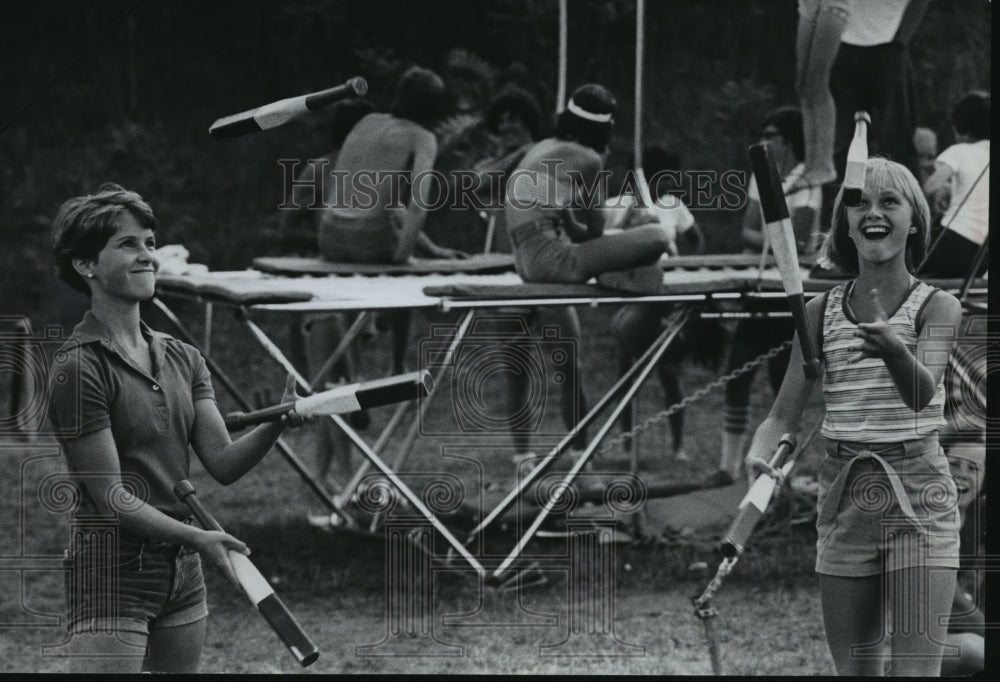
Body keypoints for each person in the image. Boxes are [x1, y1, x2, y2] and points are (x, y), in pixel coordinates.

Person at [47, 184, 307, 673]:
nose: (147, 255)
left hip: (182, 570)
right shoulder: (78, 368)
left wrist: (277, 422)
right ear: (86, 265)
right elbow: (113, 498)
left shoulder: (183, 357)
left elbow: (223, 462)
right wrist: (200, 538)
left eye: (149, 242)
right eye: (128, 244)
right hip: (113, 568)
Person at [745, 158, 964, 676]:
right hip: (845, 495)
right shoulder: (817, 313)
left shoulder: (938, 307)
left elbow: (921, 393)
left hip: (919, 492)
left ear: (915, 222)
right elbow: (782, 415)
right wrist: (760, 454)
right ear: (845, 224)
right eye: (859, 203)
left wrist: (893, 349)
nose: (873, 212)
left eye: (890, 202)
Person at [501, 84, 675, 462]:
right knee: (657, 236)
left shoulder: (541, 148)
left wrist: (595, 238)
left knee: (568, 363)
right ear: (605, 129)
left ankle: (574, 455)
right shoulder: (589, 159)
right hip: (553, 259)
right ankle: (582, 455)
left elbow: (574, 230)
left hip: (527, 259)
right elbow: (595, 231)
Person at [319, 65, 466, 375]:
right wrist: (402, 259)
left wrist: (432, 250)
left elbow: (373, 201)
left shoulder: (367, 121)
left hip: (329, 235)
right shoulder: (423, 137)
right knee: (404, 278)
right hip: (368, 239)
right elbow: (417, 206)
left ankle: (359, 364)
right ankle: (397, 364)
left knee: (377, 249)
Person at [718, 106, 823, 481]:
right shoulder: (761, 174)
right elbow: (748, 231)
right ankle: (727, 468)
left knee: (784, 384)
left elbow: (798, 237)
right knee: (736, 372)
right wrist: (773, 239)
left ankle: (783, 472)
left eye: (772, 135)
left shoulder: (807, 180)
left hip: (792, 289)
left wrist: (773, 239)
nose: (765, 141)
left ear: (789, 140)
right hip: (762, 284)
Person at [279, 96, 377, 496]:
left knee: (343, 388)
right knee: (332, 390)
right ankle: (342, 482)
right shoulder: (319, 170)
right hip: (321, 293)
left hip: (358, 292)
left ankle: (327, 479)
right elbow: (287, 228)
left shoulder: (373, 175)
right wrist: (328, 241)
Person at [605, 145, 711, 462]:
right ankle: (627, 445)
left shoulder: (672, 205)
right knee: (626, 373)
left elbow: (696, 239)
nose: (669, 184)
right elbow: (604, 240)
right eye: (664, 178)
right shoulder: (619, 204)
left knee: (669, 372)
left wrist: (686, 270)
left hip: (667, 295)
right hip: (634, 292)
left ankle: (677, 446)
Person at [919, 90, 990, 279]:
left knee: (910, 244)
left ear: (962, 128)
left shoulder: (959, 151)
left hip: (953, 242)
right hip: (983, 256)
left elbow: (930, 188)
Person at [793, 0, 852, 192]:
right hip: (808, 6)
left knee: (817, 83)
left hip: (832, 6)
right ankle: (811, 164)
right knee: (803, 87)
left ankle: (824, 164)